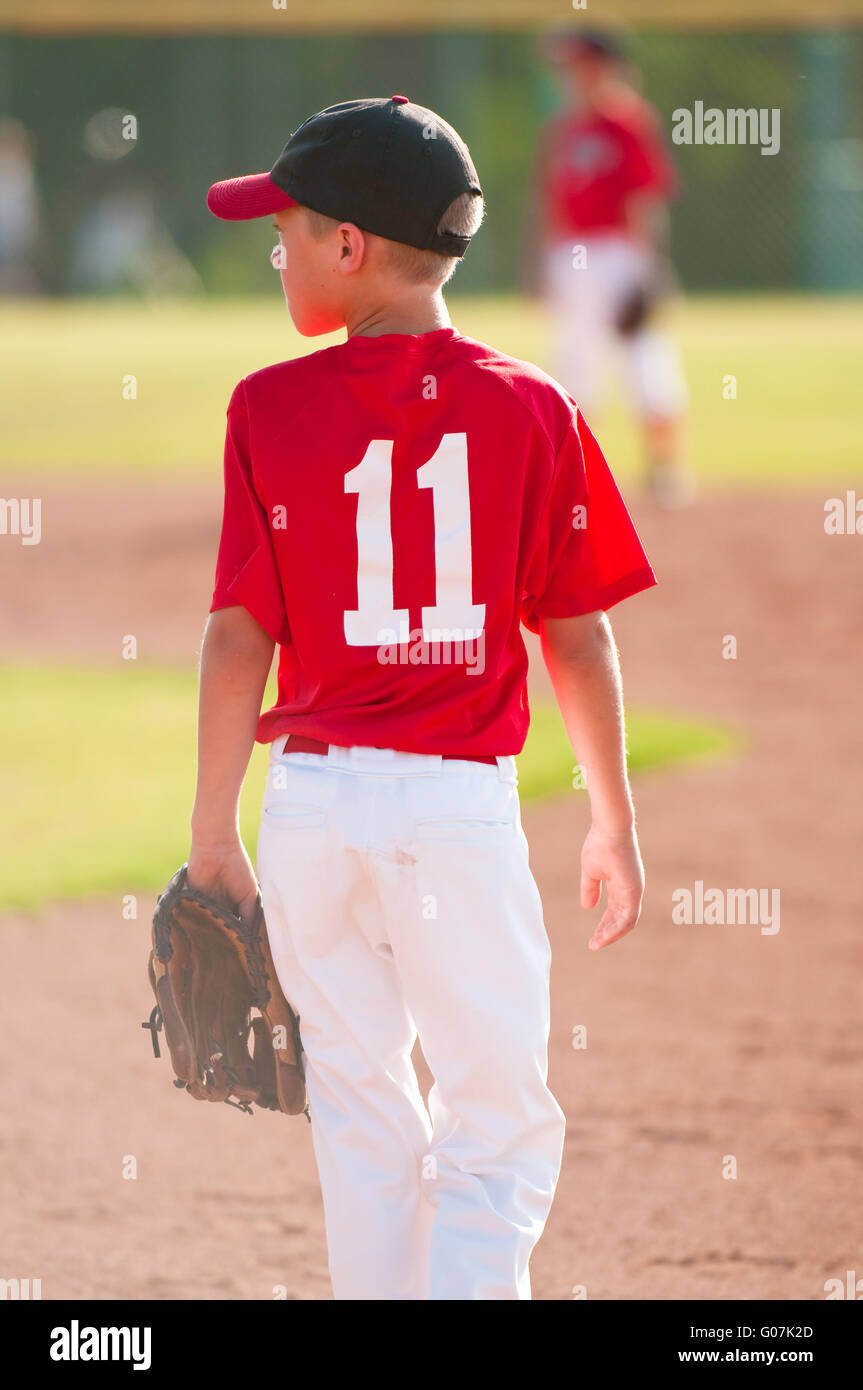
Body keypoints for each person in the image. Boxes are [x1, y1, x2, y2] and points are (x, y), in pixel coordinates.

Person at [188, 95, 655, 1300]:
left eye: (286, 230)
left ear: (349, 246)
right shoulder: (532, 404)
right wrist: (610, 814)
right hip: (452, 814)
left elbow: (238, 639)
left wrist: (209, 833)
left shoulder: (266, 407)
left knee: (358, 1109)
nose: (274, 250)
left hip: (310, 815)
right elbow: (578, 633)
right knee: (493, 1119)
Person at [527, 29, 693, 505]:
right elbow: (551, 202)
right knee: (574, 367)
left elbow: (645, 198)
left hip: (620, 253)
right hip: (572, 257)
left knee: (646, 359)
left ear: (602, 65)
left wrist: (648, 268)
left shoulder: (628, 121)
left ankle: (665, 471)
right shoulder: (563, 128)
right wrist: (545, 267)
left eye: (576, 64)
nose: (567, 75)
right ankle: (574, 483)